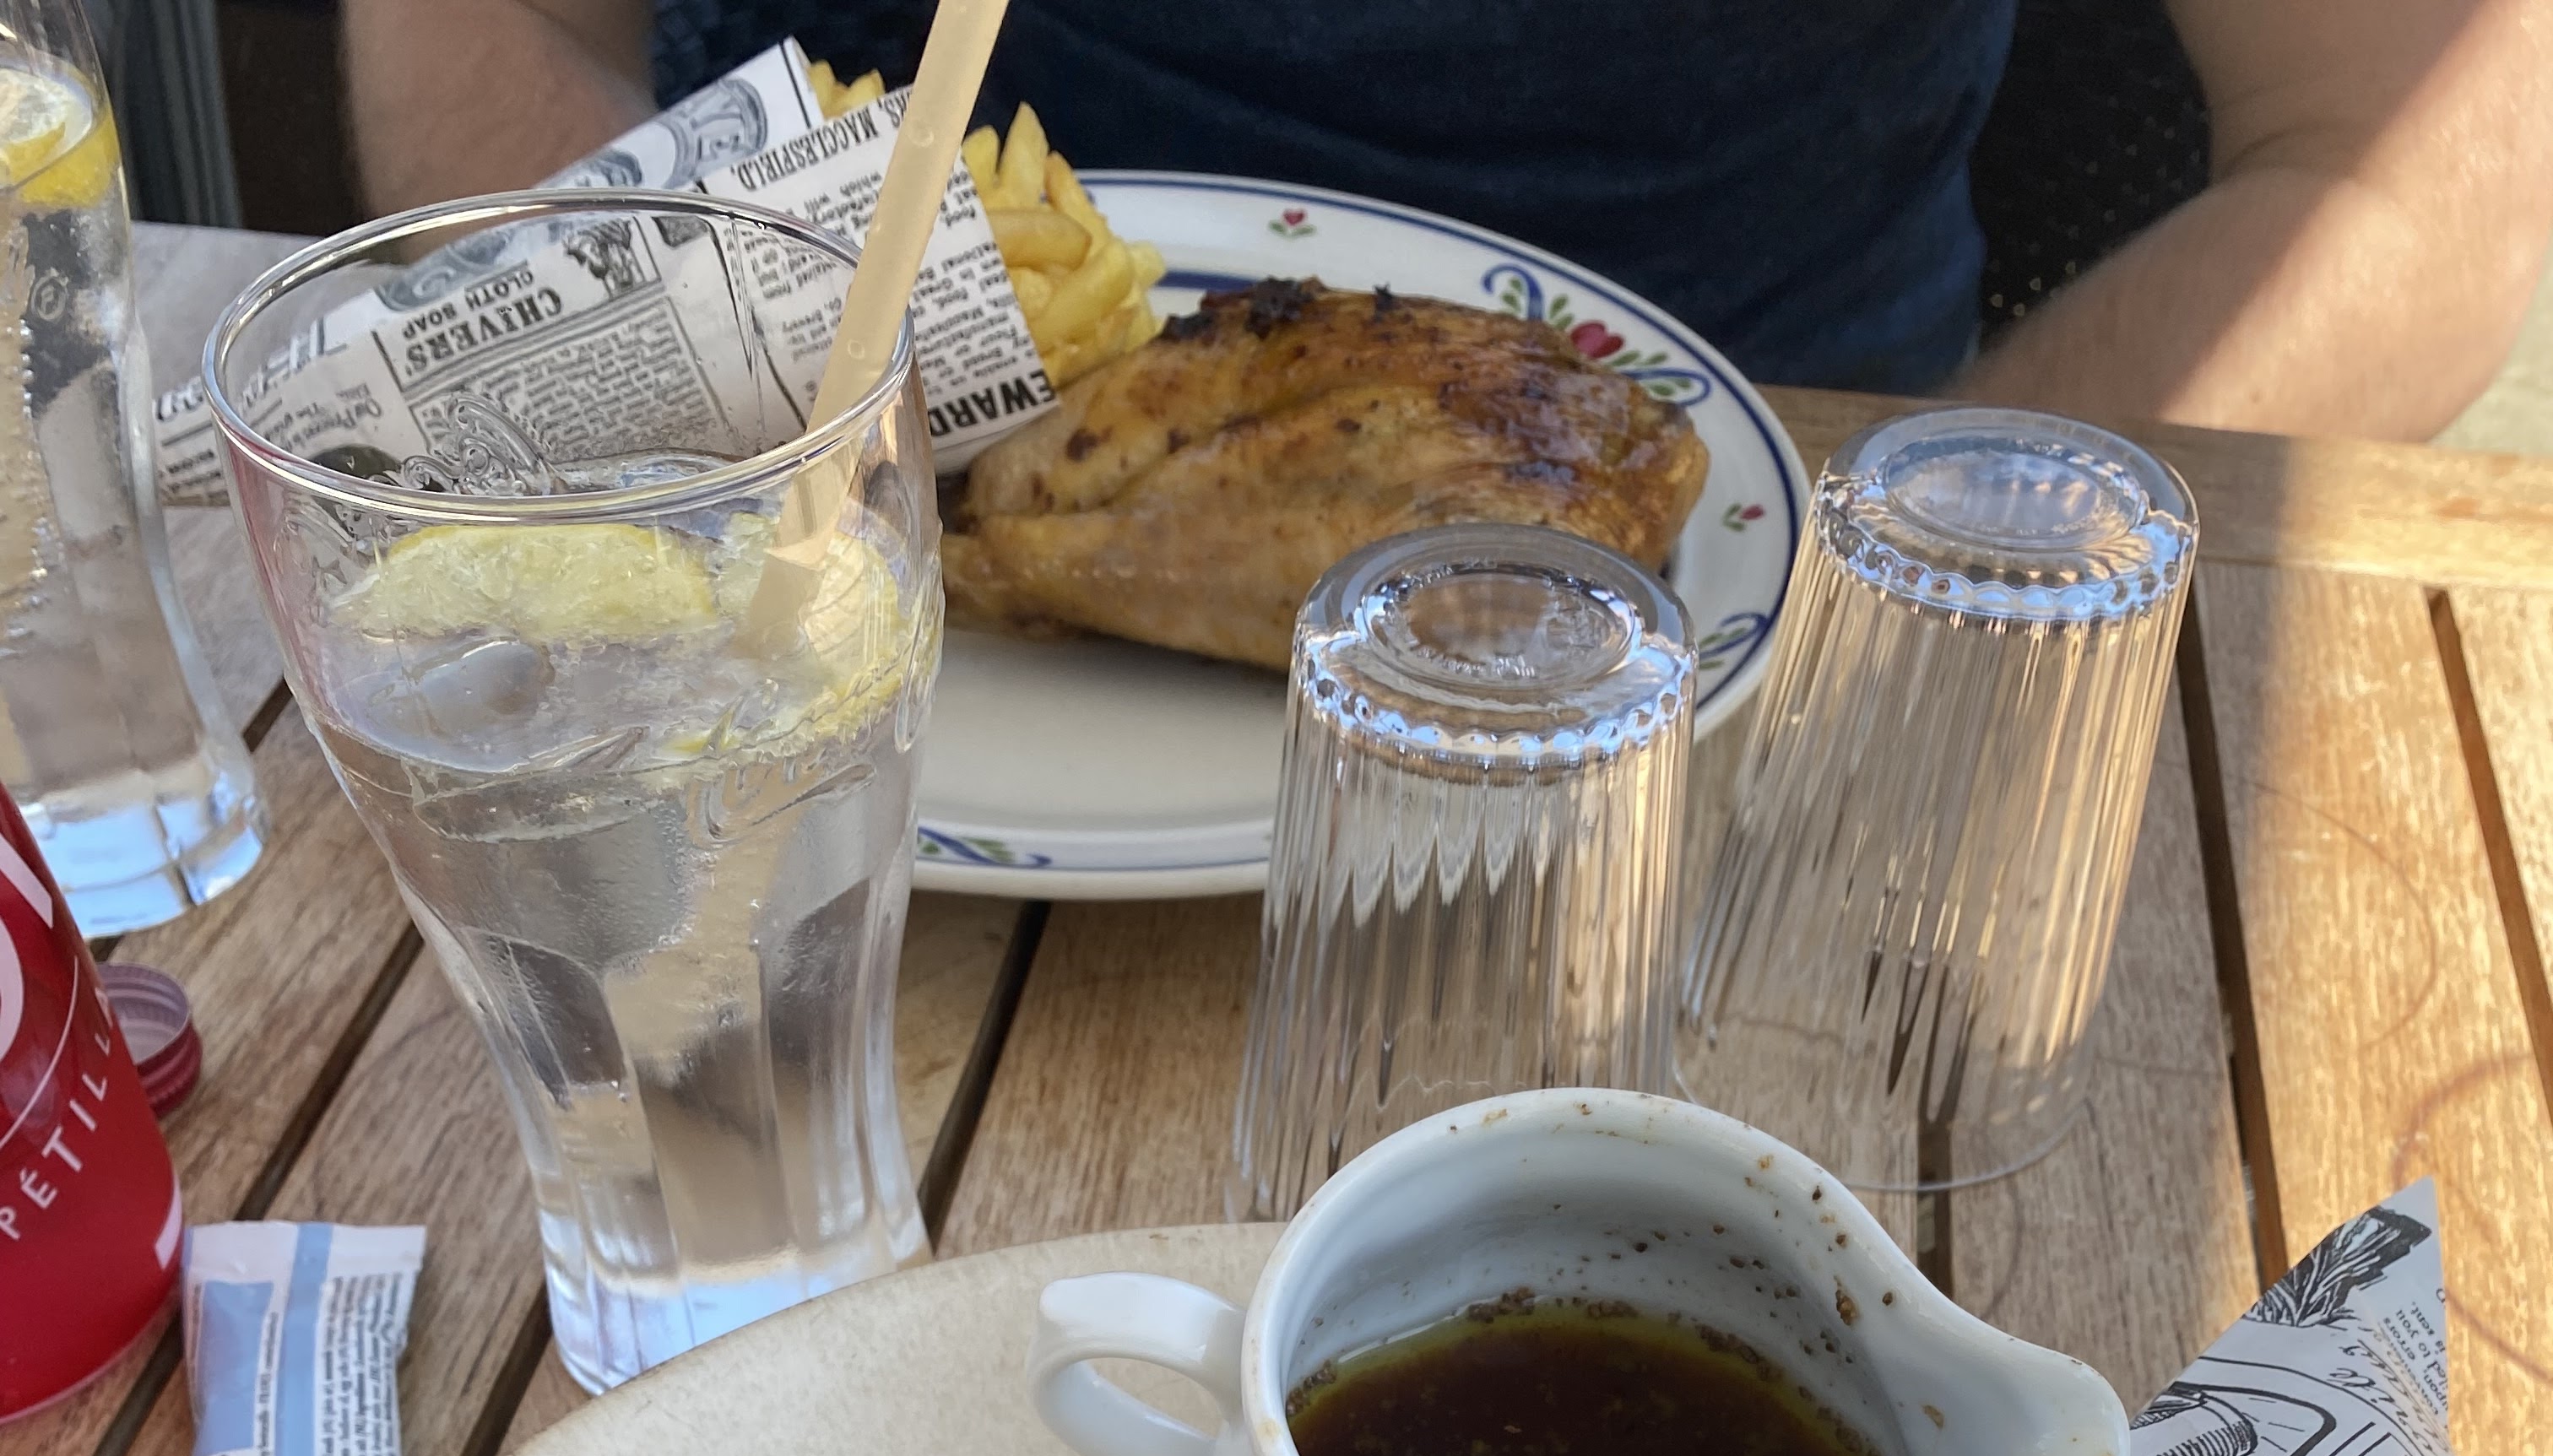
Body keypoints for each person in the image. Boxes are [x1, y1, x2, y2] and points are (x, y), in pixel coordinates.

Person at [342, 0, 2553, 437]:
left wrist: (1872, 582)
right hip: (833, 566)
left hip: (1763, 660)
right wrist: (700, 462)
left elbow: (2423, 160)